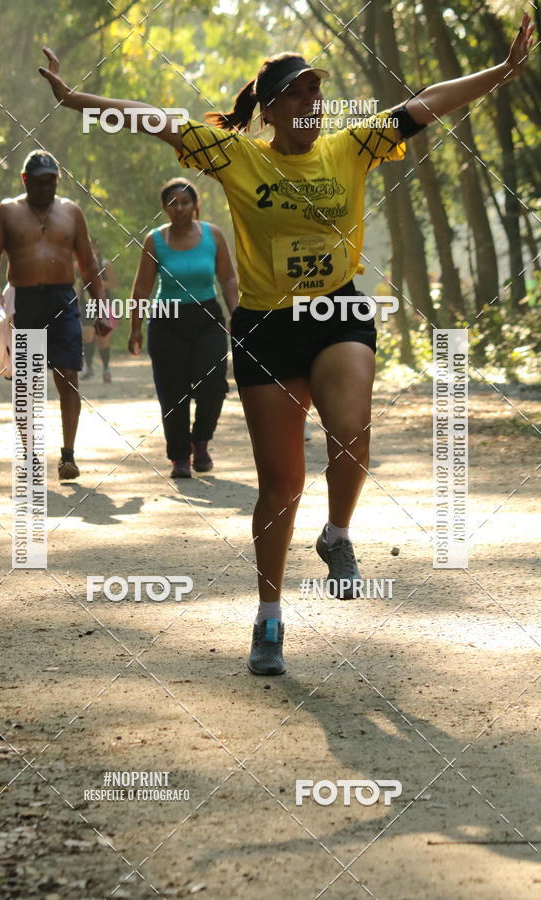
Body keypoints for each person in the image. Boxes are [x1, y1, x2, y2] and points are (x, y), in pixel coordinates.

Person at [38, 12, 534, 671]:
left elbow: (428, 102)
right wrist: (75, 99)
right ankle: (268, 617)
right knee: (281, 485)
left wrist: (501, 72)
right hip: (266, 328)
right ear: (269, 110)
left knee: (351, 433)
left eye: (316, 90)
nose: (311, 101)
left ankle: (337, 535)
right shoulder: (235, 155)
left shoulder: (353, 146)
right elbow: (153, 118)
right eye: (296, 93)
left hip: (337, 313)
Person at [0, 149, 108, 480]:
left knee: (68, 375)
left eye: (52, 182)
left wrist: (102, 307)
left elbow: (88, 265)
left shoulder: (72, 212)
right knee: (27, 381)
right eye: (39, 182)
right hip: (25, 301)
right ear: (25, 180)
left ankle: (68, 455)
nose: (46, 188)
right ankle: (29, 454)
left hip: (62, 300)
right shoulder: (7, 212)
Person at [128, 177, 238, 477]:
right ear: (164, 207)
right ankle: (179, 457)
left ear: (195, 205)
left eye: (185, 202)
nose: (179, 208)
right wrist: (135, 327)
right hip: (167, 322)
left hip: (207, 318)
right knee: (172, 391)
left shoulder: (213, 235)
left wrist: (236, 315)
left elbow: (228, 279)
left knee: (213, 384)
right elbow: (141, 288)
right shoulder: (155, 240)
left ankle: (200, 442)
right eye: (172, 203)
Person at [82, 238, 118, 383]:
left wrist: (98, 282)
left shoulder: (105, 264)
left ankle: (106, 368)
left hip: (104, 305)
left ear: (97, 249)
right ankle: (88, 367)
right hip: (86, 305)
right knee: (88, 335)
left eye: (92, 247)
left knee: (103, 339)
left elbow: (114, 284)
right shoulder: (79, 265)